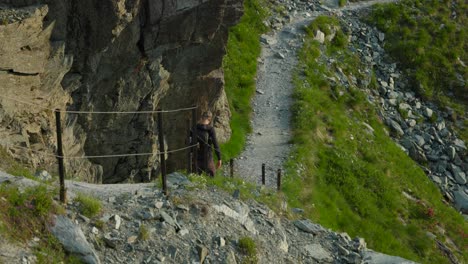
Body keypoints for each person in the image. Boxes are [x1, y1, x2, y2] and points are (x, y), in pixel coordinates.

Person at [193, 111, 222, 177]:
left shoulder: (194, 128)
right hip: (207, 156)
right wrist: (219, 158)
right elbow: (215, 145)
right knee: (211, 175)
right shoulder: (211, 129)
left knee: (196, 177)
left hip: (196, 156)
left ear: (202, 117)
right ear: (210, 119)